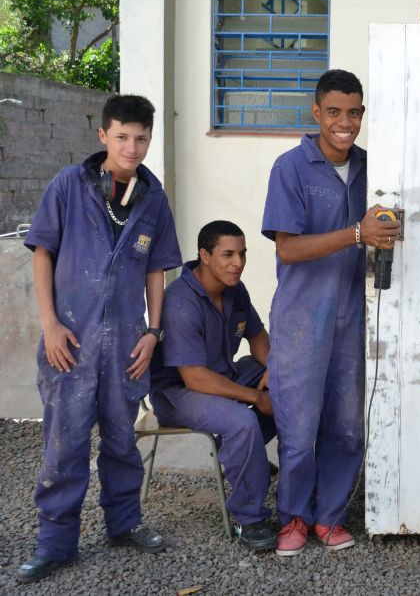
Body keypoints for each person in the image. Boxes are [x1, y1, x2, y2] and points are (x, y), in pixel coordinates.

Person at [17, 95, 182, 584]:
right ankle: (55, 543)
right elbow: (42, 252)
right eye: (123, 137)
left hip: (127, 346)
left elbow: (157, 269)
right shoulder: (70, 185)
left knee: (121, 439)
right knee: (64, 444)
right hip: (70, 340)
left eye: (141, 139)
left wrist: (154, 332)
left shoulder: (154, 199)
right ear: (103, 136)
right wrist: (49, 323)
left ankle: (124, 523)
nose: (132, 147)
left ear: (150, 141)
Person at [261, 69, 400, 556]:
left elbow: (384, 224)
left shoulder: (372, 167)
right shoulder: (292, 168)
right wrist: (358, 234)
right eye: (335, 112)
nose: (346, 122)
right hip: (302, 319)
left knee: (345, 426)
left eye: (354, 112)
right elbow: (289, 250)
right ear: (316, 112)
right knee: (298, 429)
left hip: (354, 319)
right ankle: (294, 517)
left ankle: (329, 517)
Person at [148, 220, 278, 551]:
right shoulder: (180, 302)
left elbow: (259, 338)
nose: (238, 263)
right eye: (228, 254)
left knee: (288, 389)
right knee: (243, 420)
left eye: (243, 254)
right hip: (179, 393)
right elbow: (195, 378)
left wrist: (273, 370)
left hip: (223, 374)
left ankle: (242, 457)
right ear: (204, 256)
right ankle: (249, 519)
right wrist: (255, 397)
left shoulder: (236, 289)